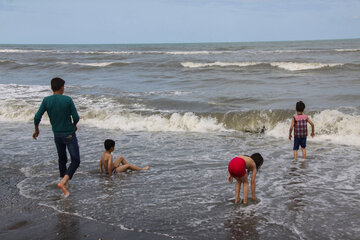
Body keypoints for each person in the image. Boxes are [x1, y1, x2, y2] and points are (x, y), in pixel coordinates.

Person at [32, 77, 80, 197]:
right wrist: (74, 125)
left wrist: (36, 129)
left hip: (57, 134)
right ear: (61, 87)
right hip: (69, 133)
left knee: (62, 158)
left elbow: (37, 117)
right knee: (76, 160)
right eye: (63, 86)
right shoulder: (67, 99)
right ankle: (63, 182)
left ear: (52, 88)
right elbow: (76, 117)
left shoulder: (46, 100)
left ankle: (64, 182)